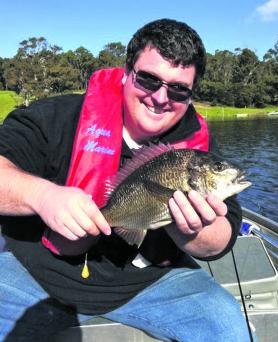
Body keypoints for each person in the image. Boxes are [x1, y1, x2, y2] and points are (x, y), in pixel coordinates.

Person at [0, 19, 252, 341]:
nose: (161, 97)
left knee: (228, 324)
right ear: (126, 73)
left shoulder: (196, 153)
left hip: (155, 282)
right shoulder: (55, 117)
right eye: (148, 80)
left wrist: (191, 231)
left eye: (178, 89)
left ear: (190, 95)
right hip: (38, 271)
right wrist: (43, 195)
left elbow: (222, 236)